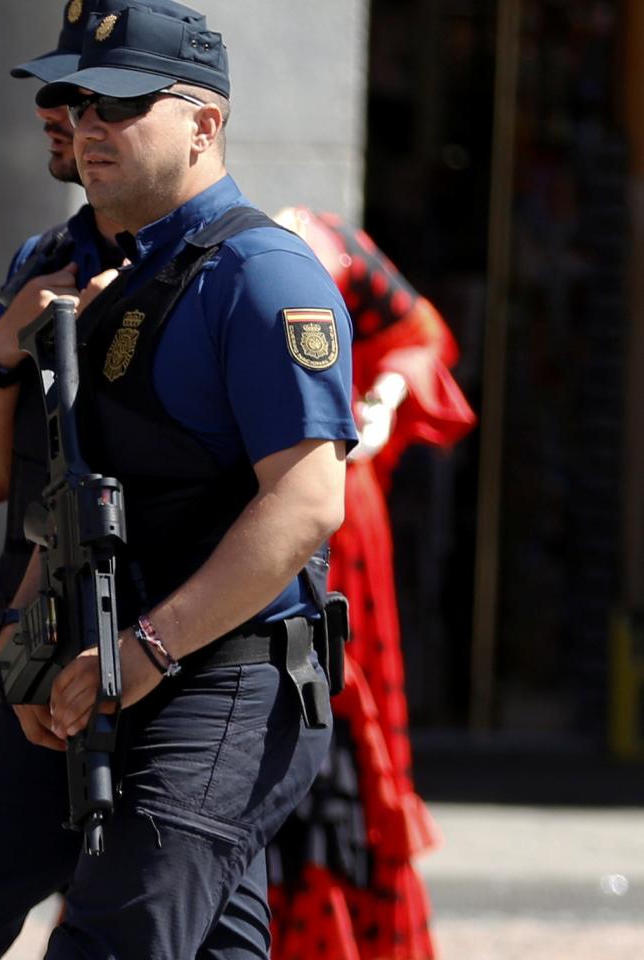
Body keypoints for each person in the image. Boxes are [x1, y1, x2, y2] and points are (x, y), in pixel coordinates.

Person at [0, 2, 357, 957]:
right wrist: (3, 353)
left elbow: (306, 503)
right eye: (77, 102)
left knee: (114, 937)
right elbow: (24, 484)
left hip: (216, 671)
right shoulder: (54, 261)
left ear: (204, 123)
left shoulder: (261, 276)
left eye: (119, 107)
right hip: (72, 649)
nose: (87, 126)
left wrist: (144, 653)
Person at [264, 207, 475, 960]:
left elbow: (424, 336)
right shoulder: (171, 249)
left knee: (339, 707)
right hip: (225, 518)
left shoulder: (332, 241)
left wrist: (381, 402)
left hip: (340, 519)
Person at [0, 0, 127, 627]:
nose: (47, 113)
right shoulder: (42, 259)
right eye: (50, 91)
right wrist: (1, 349)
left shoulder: (198, 266)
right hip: (30, 625)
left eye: (77, 94)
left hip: (139, 633)